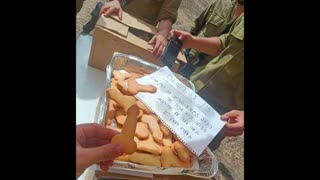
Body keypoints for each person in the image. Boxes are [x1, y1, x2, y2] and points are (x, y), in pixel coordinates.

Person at [81, 0, 181, 57]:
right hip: (114, 16)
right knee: (86, 49)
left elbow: (168, 12)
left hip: (138, 33)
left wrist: (163, 32)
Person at [180, 0, 243, 79]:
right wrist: (186, 48)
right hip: (187, 60)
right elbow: (197, 26)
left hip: (205, 77)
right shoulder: (221, 3)